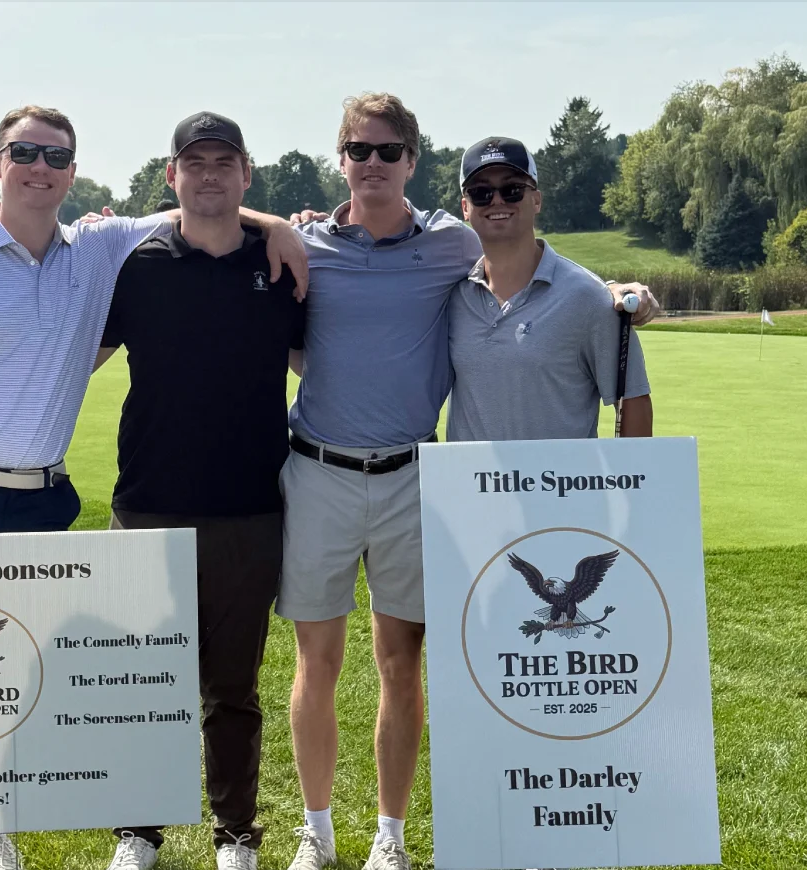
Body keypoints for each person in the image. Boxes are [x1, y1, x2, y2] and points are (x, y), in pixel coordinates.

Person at [0, 105, 307, 870]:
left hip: (118, 499)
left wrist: (282, 227)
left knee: (15, 669)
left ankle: (2, 821)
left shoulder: (138, 252)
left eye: (56, 157)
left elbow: (213, 219)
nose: (40, 168)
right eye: (25, 153)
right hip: (21, 492)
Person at [276, 94, 659, 870]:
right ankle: (315, 833)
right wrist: (268, 222)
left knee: (403, 663)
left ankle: (390, 836)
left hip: (421, 481)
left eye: (390, 151)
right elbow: (218, 228)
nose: (374, 163)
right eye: (360, 150)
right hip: (319, 471)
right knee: (315, 661)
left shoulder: (448, 248)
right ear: (341, 157)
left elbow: (552, 282)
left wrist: (630, 299)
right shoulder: (304, 243)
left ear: (412, 162)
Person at [92, 111, 305, 870]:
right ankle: (139, 831)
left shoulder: (282, 262)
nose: (209, 175)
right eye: (195, 163)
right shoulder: (135, 263)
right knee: (143, 677)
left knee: (232, 689)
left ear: (246, 174)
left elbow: (314, 364)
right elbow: (82, 357)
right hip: (148, 500)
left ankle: (237, 835)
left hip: (250, 508)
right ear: (173, 174)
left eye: (224, 163)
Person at [447, 136, 652, 443]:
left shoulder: (590, 298)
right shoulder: (452, 295)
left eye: (513, 189)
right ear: (465, 207)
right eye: (481, 193)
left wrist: (628, 485)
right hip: (470, 489)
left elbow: (632, 401)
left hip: (560, 490)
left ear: (537, 199)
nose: (497, 201)